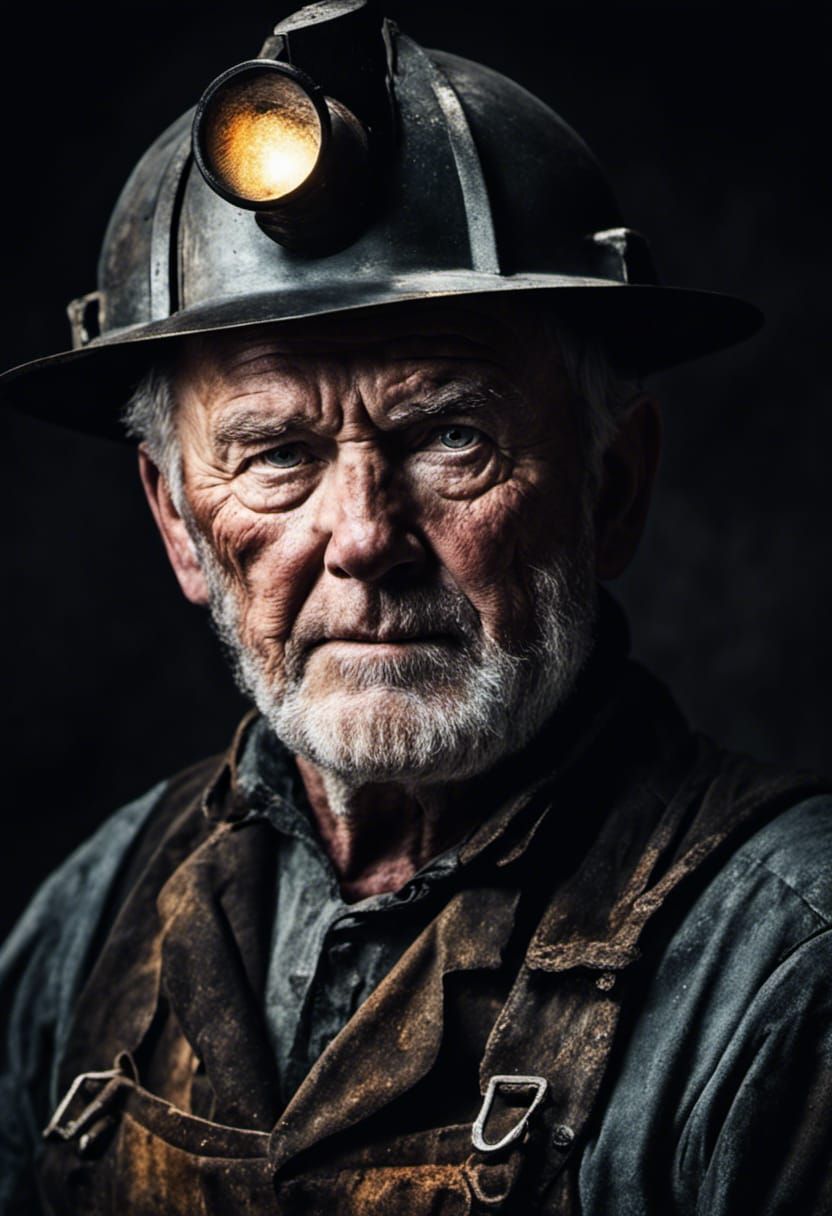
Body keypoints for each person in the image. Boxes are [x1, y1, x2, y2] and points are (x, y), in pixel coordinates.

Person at [1, 3, 830, 1212]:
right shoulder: (103, 913)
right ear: (179, 521)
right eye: (276, 453)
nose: (363, 537)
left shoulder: (787, 972)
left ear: (612, 485)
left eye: (450, 434)